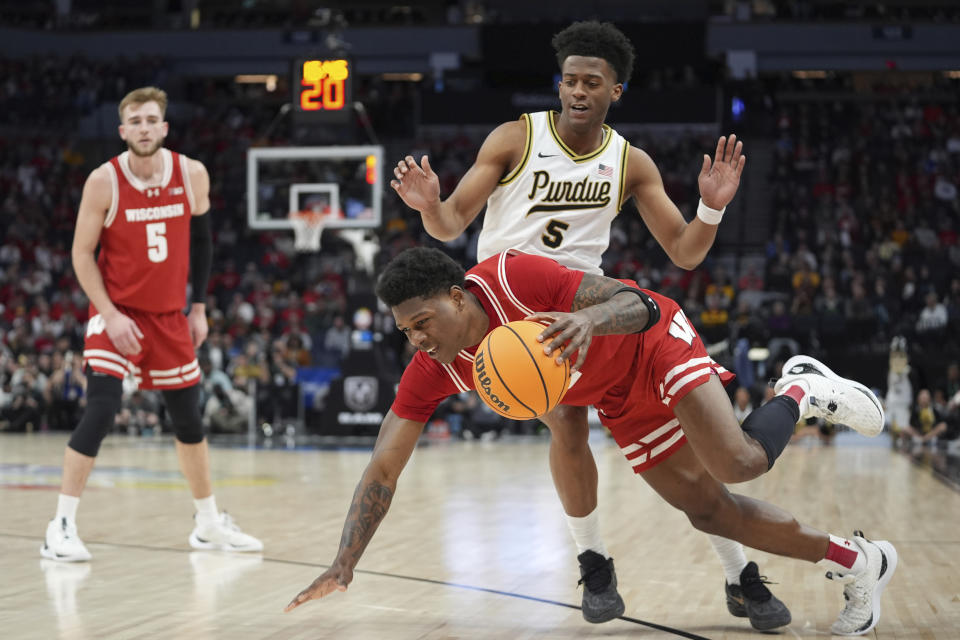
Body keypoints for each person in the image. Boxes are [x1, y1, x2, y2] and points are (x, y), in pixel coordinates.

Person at [389, 19, 787, 630]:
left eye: (591, 82)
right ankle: (594, 559)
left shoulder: (631, 163)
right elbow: (451, 224)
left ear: (614, 92)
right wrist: (429, 207)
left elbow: (683, 251)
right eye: (569, 80)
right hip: (508, 307)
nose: (576, 91)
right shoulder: (515, 138)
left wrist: (712, 205)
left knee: (686, 447)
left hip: (585, 307)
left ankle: (738, 573)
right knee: (567, 427)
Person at [286, 248, 896, 636]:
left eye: (422, 323)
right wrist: (344, 564)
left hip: (651, 342)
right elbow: (383, 468)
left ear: (456, 296)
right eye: (404, 330)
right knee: (712, 511)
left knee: (738, 463)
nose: (416, 339)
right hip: (617, 399)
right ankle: (858, 561)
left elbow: (635, 304)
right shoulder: (436, 368)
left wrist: (588, 320)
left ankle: (799, 391)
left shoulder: (509, 277)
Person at [40, 87, 261, 562]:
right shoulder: (104, 181)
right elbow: (81, 254)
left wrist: (198, 307)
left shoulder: (191, 173)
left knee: (189, 420)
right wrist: (110, 314)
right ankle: (59, 526)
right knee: (101, 408)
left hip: (168, 316)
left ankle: (207, 525)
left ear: (164, 127)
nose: (143, 127)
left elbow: (202, 243)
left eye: (151, 119)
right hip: (115, 311)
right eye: (135, 121)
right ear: (123, 131)